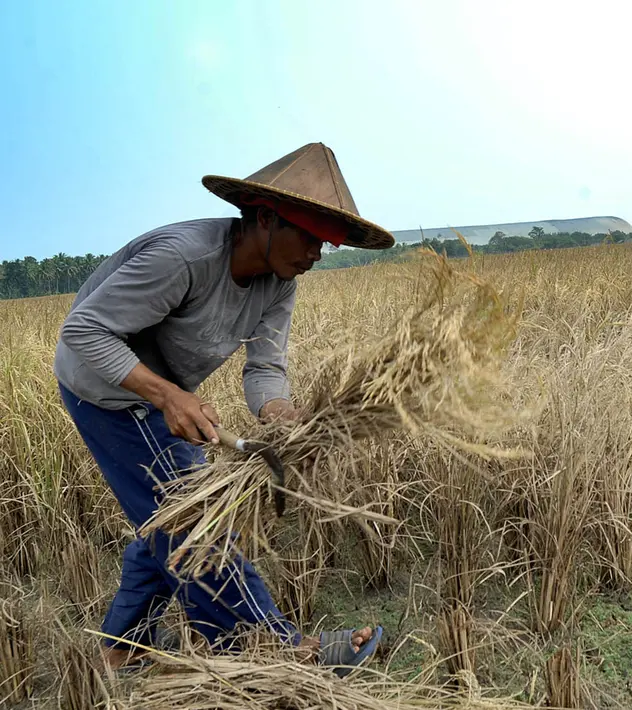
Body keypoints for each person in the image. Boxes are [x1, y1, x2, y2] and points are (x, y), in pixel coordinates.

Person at [54, 143, 395, 675]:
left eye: (324, 244)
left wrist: (284, 416)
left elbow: (263, 371)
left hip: (163, 390)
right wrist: (167, 395)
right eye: (308, 236)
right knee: (197, 521)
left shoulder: (280, 283)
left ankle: (122, 648)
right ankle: (275, 651)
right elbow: (83, 331)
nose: (315, 254)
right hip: (108, 390)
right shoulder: (184, 258)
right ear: (264, 217)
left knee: (167, 515)